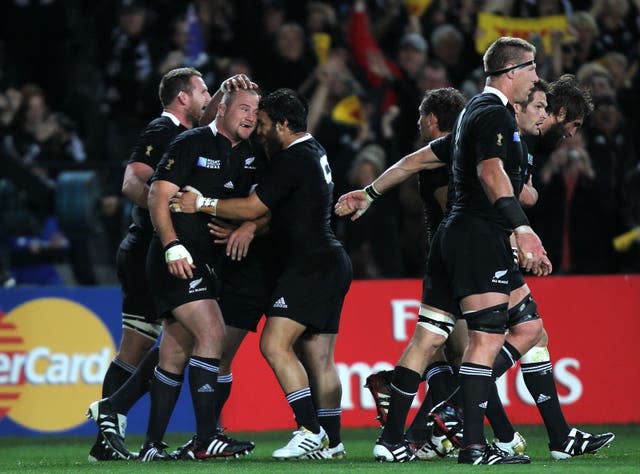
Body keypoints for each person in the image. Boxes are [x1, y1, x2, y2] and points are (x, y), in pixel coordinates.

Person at [169, 88, 352, 460]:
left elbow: (254, 205)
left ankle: (309, 431)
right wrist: (254, 228)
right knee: (318, 358)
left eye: (266, 123)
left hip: (310, 264)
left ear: (284, 124)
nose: (260, 129)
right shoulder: (314, 150)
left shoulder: (293, 157)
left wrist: (201, 203)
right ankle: (333, 443)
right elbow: (280, 213)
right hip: (329, 261)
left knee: (273, 344)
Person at [87, 71, 259, 461]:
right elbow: (134, 182)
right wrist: (170, 220)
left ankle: (144, 439)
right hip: (155, 247)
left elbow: (224, 116)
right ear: (183, 97)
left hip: (183, 250)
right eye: (203, 91)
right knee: (144, 342)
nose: (210, 98)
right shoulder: (167, 130)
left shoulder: (224, 144)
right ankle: (116, 423)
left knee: (173, 348)